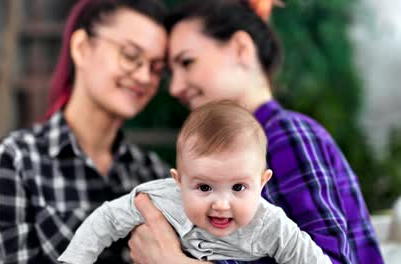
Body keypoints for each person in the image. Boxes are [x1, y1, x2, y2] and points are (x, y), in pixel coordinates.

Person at [128, 1, 384, 263]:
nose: (176, 87)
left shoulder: (286, 136)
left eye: (187, 62)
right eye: (172, 73)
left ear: (241, 49)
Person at [0, 0, 170, 263]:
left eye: (156, 68)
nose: (145, 77)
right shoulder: (13, 162)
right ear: (81, 47)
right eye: (131, 56)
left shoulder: (152, 175)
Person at [58, 100, 331, 264]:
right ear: (179, 181)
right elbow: (107, 219)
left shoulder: (271, 225)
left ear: (262, 183)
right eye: (203, 187)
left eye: (238, 187)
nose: (221, 204)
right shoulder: (162, 199)